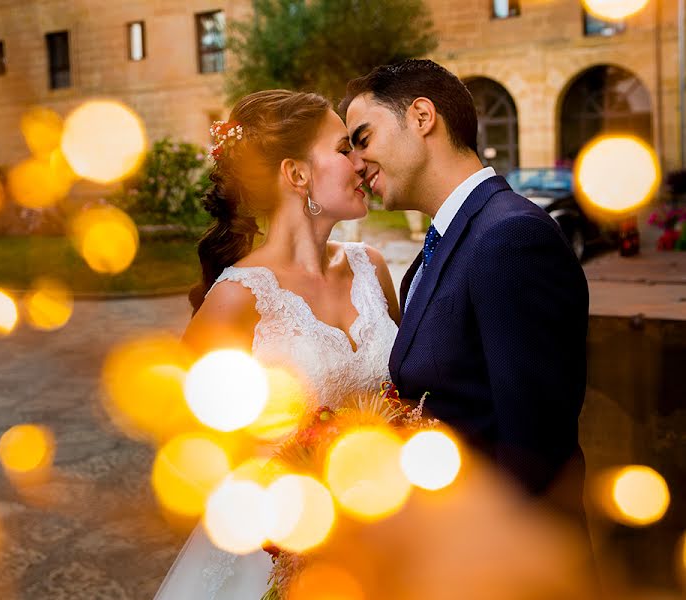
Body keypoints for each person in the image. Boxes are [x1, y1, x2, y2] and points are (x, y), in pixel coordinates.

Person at [155, 89, 400, 599]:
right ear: (297, 175)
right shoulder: (237, 298)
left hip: (386, 537)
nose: (361, 161)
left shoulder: (370, 267)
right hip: (277, 556)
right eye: (343, 148)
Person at [341, 59, 589, 514]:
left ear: (421, 117)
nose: (355, 165)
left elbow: (534, 452)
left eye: (363, 139)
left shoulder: (511, 238)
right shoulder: (435, 252)